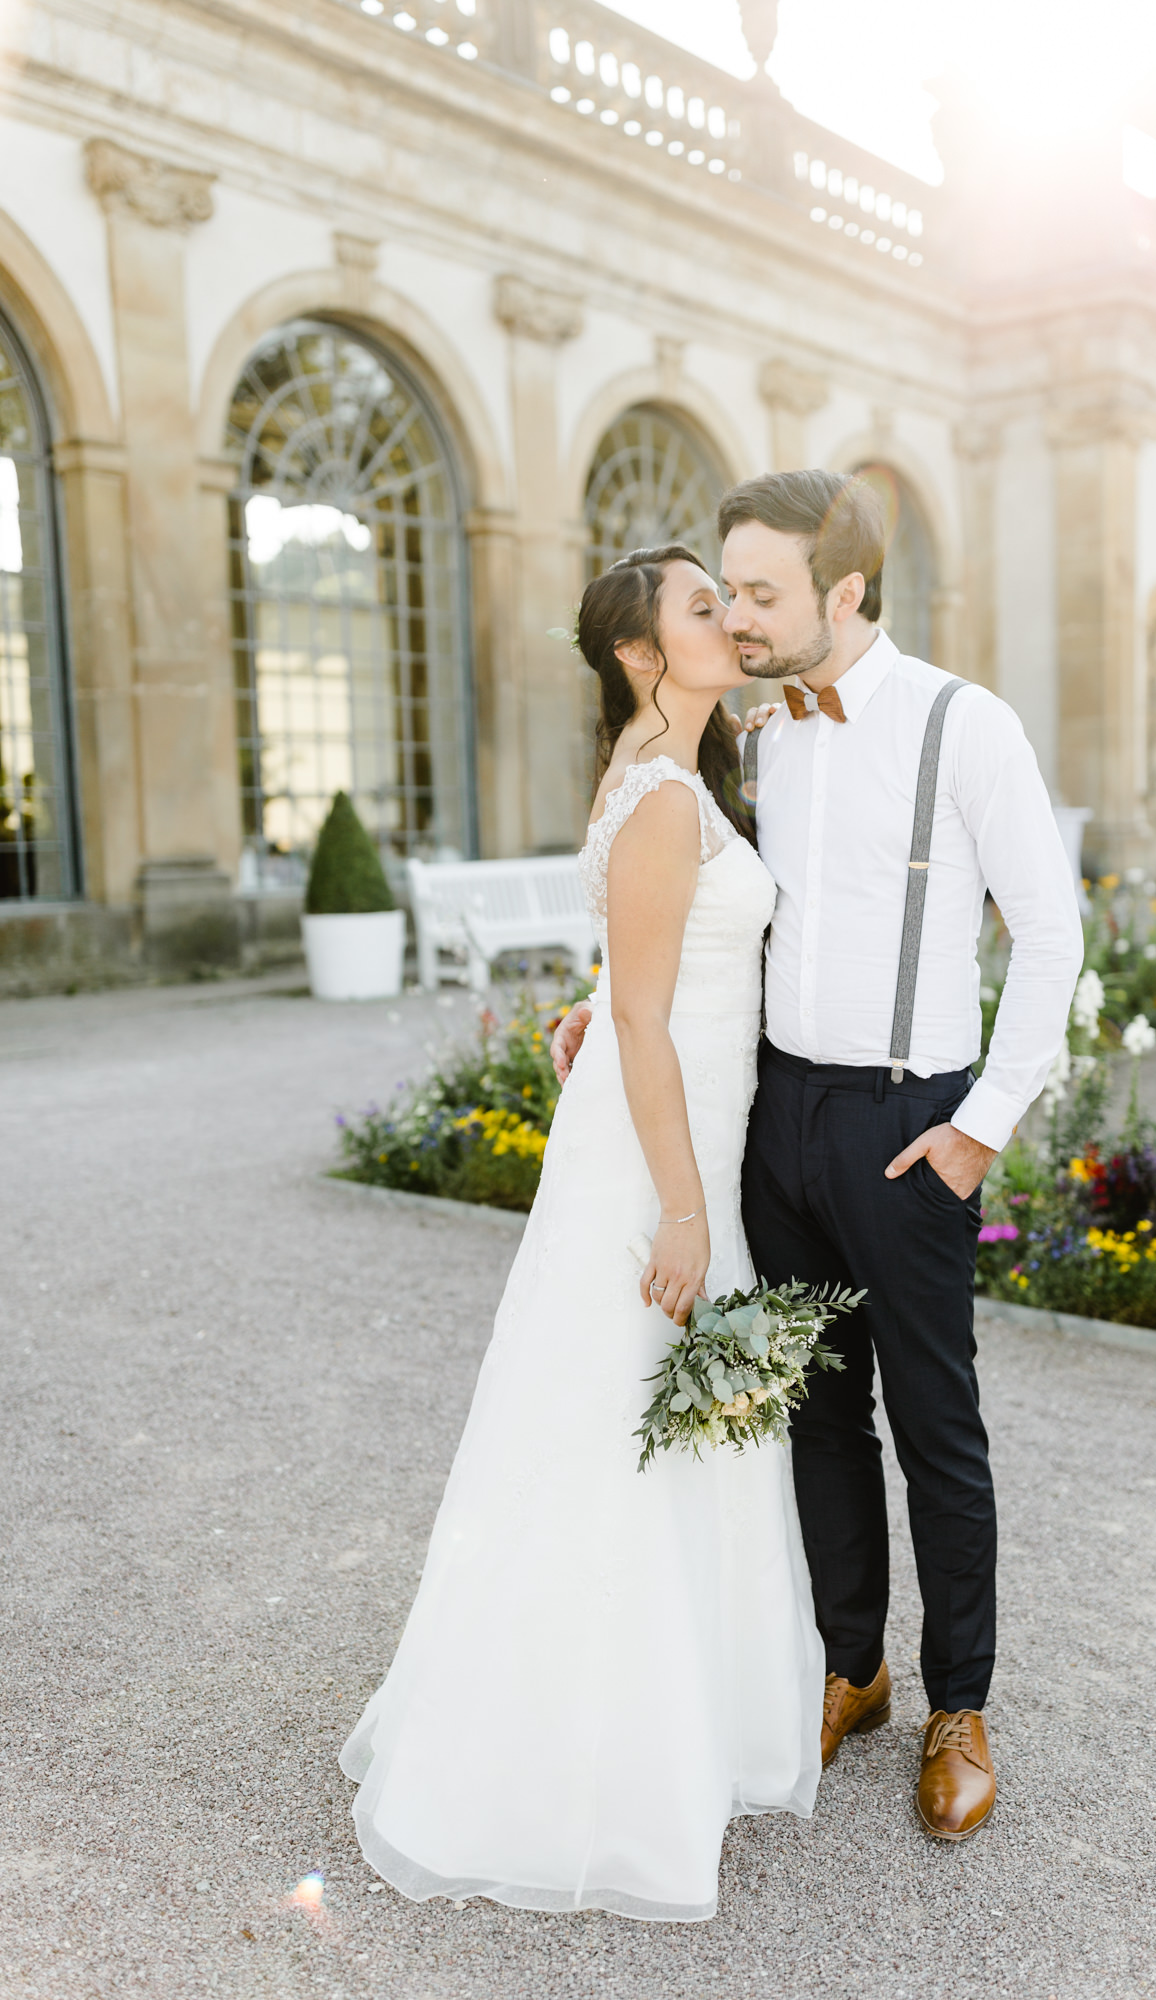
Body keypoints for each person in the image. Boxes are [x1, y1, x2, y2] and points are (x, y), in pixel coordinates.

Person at [554, 472, 1084, 1842]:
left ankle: (957, 1704)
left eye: (762, 592)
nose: (735, 616)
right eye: (722, 591)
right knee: (811, 1409)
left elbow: (1050, 931)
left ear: (843, 594)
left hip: (909, 1125)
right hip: (774, 1115)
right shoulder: (758, 733)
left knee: (933, 1423)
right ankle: (852, 1663)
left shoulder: (965, 725)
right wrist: (602, 999)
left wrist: (978, 1131)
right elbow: (699, 900)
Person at [339, 544, 824, 1921]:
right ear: (636, 652)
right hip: (661, 1152)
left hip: (668, 1123)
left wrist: (599, 1001)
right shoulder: (664, 795)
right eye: (698, 607)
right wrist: (681, 1208)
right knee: (629, 1418)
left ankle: (667, 1721)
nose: (727, 619)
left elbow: (633, 967)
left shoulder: (655, 770)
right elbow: (646, 1015)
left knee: (637, 1420)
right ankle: (590, 1754)